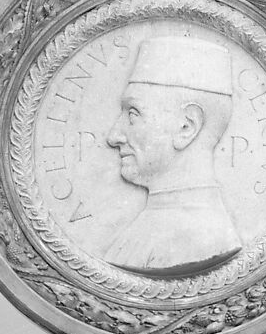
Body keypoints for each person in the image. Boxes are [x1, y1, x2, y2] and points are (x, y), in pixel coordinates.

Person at [104, 36, 242, 275]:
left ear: (186, 127)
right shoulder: (152, 226)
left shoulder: (199, 240)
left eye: (133, 114)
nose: (114, 136)